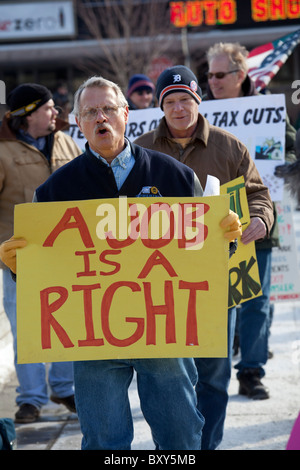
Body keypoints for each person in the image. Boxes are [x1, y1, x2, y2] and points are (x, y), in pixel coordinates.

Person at [0, 76, 242, 450]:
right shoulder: (54, 192)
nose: (101, 118)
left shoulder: (175, 177)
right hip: (93, 342)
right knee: (102, 442)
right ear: (78, 122)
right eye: (91, 111)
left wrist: (222, 240)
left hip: (165, 336)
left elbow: (205, 261)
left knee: (181, 436)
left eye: (109, 109)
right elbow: (44, 276)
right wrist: (20, 265)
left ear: (126, 114)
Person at [134, 65, 274, 450]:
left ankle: (205, 447)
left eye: (186, 100)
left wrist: (261, 217)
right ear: (161, 107)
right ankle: (175, 449)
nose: (179, 109)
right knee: (166, 375)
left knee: (213, 372)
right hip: (158, 281)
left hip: (219, 276)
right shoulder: (140, 148)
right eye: (170, 102)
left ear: (198, 101)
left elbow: (258, 195)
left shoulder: (230, 147)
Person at [206, 42, 297, 400]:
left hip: (257, 220)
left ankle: (251, 372)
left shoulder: (267, 109)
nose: (212, 81)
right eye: (209, 74)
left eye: (219, 74)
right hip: (213, 225)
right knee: (216, 299)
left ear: (240, 75)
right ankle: (214, 372)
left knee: (256, 300)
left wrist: (282, 163)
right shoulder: (200, 111)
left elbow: (289, 147)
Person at [0, 83, 82, 423]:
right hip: (22, 257)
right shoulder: (2, 150)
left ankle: (64, 388)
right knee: (28, 328)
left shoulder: (67, 142)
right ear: (30, 113)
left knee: (68, 322)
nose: (56, 114)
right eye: (49, 108)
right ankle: (30, 399)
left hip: (67, 252)